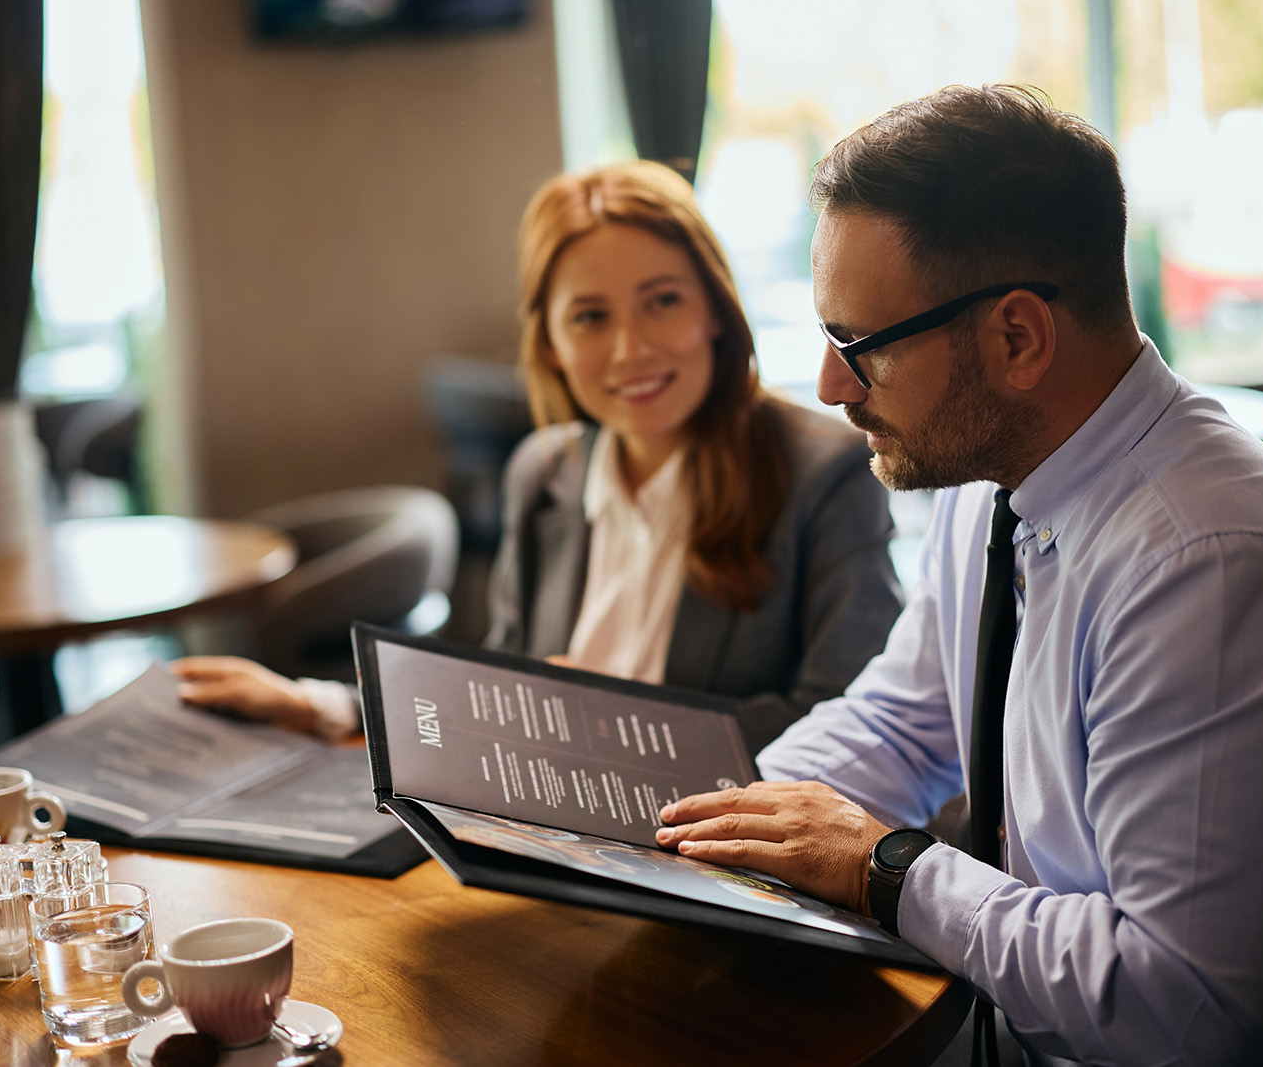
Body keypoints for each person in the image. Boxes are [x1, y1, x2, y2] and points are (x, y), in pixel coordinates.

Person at [653, 85, 1263, 1066]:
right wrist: (700, 828)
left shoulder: (1219, 566)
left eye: (861, 347)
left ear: (1015, 337)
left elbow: (1179, 1013)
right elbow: (900, 720)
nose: (831, 386)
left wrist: (886, 866)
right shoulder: (988, 482)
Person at [173, 160, 903, 750]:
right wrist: (319, 706)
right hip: (557, 840)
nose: (631, 349)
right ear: (551, 343)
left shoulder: (824, 472)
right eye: (591, 317)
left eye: (662, 301)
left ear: (714, 307)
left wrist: (603, 721)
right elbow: (500, 696)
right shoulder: (544, 473)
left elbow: (854, 723)